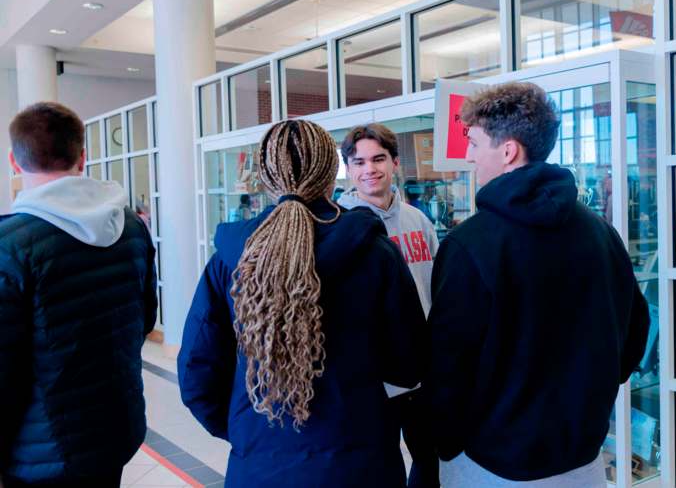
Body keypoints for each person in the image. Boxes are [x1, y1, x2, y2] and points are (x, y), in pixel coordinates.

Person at [178, 119, 427, 487]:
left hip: (261, 463)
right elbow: (408, 365)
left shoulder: (230, 259)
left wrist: (245, 429)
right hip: (359, 458)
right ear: (332, 174)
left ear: (266, 176)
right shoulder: (375, 253)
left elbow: (197, 373)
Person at [424, 82, 650, 487]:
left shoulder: (468, 244)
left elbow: (447, 369)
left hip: (492, 462)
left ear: (508, 150)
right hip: (583, 458)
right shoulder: (601, 232)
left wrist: (446, 444)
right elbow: (635, 336)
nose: (469, 157)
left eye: (473, 143)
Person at [0, 102, 158, 487]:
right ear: (82, 157)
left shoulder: (11, 245)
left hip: (41, 451)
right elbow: (145, 319)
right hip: (114, 429)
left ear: (14, 162)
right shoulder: (130, 227)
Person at [338, 123, 440, 488]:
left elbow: (438, 291)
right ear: (348, 169)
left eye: (378, 159)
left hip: (422, 372)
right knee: (377, 470)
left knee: (432, 462)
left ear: (395, 162)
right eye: (359, 161)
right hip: (371, 380)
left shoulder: (418, 220)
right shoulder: (339, 226)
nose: (370, 169)